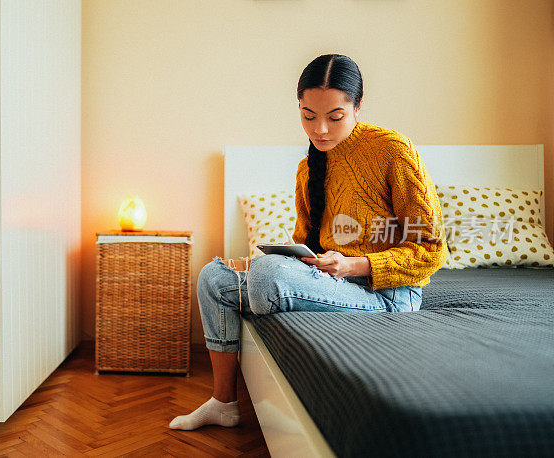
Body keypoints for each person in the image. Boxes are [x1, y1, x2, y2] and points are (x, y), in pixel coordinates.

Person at [169, 54, 447, 431]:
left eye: (335, 117)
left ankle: (262, 284)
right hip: (331, 281)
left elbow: (432, 248)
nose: (320, 130)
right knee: (212, 278)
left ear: (358, 107)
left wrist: (354, 265)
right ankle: (223, 402)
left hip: (389, 293)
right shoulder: (307, 168)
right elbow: (305, 247)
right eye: (308, 116)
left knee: (267, 275)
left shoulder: (393, 151)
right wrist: (295, 261)